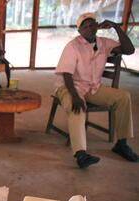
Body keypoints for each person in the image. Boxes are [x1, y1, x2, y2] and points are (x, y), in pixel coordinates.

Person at [55, 13, 137, 168]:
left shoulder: (104, 43)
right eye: (84, 27)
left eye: (92, 24)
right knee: (77, 107)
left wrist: (115, 27)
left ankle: (121, 144)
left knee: (123, 97)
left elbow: (129, 49)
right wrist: (75, 96)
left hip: (93, 88)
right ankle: (81, 154)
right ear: (79, 31)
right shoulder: (73, 46)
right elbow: (66, 73)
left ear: (98, 26)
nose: (89, 29)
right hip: (69, 86)